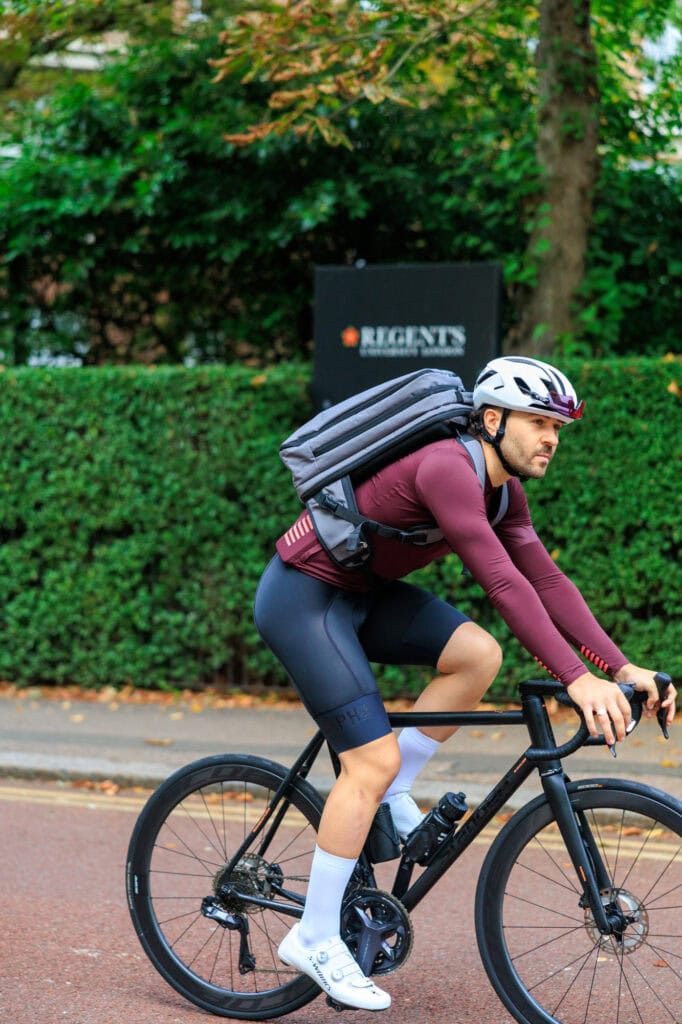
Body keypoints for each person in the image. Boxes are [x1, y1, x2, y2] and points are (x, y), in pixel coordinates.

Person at [253, 356, 676, 1011]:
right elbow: (501, 582)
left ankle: (393, 790)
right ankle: (313, 936)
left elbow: (546, 580)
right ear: (491, 418)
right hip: (303, 598)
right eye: (539, 421)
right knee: (369, 760)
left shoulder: (503, 490)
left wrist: (619, 668)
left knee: (477, 655)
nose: (551, 438)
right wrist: (575, 679)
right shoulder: (448, 468)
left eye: (558, 428)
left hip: (365, 593)